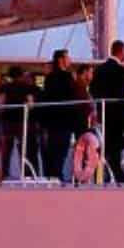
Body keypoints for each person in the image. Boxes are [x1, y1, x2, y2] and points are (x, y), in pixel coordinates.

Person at [89, 39, 124, 184]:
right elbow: (123, 96)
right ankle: (118, 176)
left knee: (112, 145)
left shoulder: (100, 70)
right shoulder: (120, 71)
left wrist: (101, 106)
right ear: (120, 52)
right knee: (117, 145)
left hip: (105, 113)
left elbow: (93, 90)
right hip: (118, 115)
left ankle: (110, 172)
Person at [39, 49, 78, 181]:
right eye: (68, 57)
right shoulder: (67, 77)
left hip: (52, 122)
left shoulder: (49, 78)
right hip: (64, 121)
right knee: (61, 152)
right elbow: (72, 98)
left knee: (53, 151)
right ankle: (57, 176)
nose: (70, 60)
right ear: (61, 59)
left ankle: (52, 176)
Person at [0, 67, 39, 180]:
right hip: (23, 122)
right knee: (25, 149)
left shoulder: (4, 88)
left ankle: (4, 174)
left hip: (8, 122)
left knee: (7, 150)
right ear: (21, 75)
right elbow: (31, 104)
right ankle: (26, 174)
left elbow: (0, 105)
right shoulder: (28, 88)